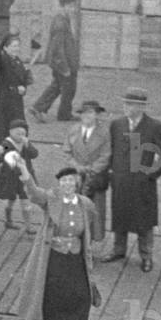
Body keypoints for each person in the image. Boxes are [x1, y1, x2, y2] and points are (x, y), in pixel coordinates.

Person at [17, 164, 102, 320]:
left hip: (76, 255)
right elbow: (34, 194)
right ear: (59, 184)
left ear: (77, 183)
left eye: (71, 180)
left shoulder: (85, 203)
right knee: (53, 294)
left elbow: (87, 228)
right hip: (54, 255)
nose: (68, 184)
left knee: (78, 292)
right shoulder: (51, 199)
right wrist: (24, 172)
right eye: (64, 181)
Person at [100, 87, 161, 272]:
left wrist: (151, 174)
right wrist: (109, 173)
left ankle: (146, 255)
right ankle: (119, 250)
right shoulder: (117, 124)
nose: (125, 107)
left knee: (144, 221)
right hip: (120, 181)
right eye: (125, 103)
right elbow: (111, 151)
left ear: (141, 107)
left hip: (143, 184)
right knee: (120, 215)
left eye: (130, 104)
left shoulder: (154, 127)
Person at [63, 100, 110, 239]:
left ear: (97, 114)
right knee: (72, 211)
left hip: (94, 179)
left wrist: (91, 170)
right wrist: (77, 167)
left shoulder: (104, 133)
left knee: (93, 213)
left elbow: (106, 155)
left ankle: (89, 245)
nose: (86, 116)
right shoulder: (73, 130)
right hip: (74, 177)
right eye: (84, 112)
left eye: (90, 112)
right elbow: (66, 152)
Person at [30, 0, 79, 123]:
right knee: (68, 88)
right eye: (70, 7)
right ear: (63, 7)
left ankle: (38, 107)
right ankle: (64, 114)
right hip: (63, 63)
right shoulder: (60, 23)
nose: (72, 9)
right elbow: (57, 48)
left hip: (63, 62)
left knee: (57, 86)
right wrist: (64, 68)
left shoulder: (63, 20)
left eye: (73, 6)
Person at [0, 29, 33, 142]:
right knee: (3, 131)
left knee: (19, 128)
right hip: (5, 101)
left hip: (17, 101)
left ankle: (18, 152)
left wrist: (24, 87)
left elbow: (23, 79)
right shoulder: (4, 60)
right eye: (13, 46)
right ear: (6, 48)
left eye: (18, 46)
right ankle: (4, 155)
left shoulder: (18, 61)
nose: (16, 48)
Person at [0, 119, 39, 233]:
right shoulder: (6, 144)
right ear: (10, 132)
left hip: (25, 176)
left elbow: (34, 154)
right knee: (11, 199)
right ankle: (8, 220)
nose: (20, 136)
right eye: (17, 133)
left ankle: (29, 226)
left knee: (25, 201)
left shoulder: (25, 143)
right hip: (11, 177)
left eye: (23, 134)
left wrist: (28, 144)